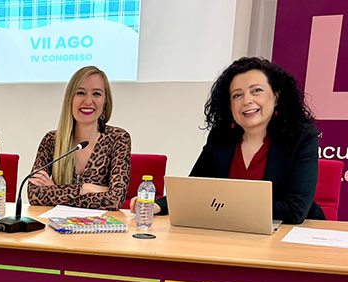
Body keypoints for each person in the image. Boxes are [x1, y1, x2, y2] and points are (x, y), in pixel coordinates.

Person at [133, 57, 324, 223]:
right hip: (232, 231)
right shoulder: (221, 137)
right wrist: (158, 205)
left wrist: (222, 206)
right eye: (237, 95)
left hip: (288, 235)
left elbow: (294, 210)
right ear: (229, 105)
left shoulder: (301, 137)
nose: (247, 101)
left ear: (276, 96)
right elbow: (195, 189)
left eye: (256, 90)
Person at [27, 66, 131, 211]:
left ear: (105, 102)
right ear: (70, 99)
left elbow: (115, 199)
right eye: (80, 93)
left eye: (96, 94)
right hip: (55, 223)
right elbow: (34, 194)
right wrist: (85, 188)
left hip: (101, 224)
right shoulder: (51, 140)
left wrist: (55, 191)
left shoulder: (118, 139)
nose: (88, 101)